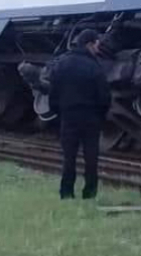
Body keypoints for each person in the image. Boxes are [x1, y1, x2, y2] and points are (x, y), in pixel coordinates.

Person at [49, 29, 112, 199]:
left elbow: (53, 91)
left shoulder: (61, 63)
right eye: (97, 45)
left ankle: (66, 193)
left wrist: (58, 112)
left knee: (69, 157)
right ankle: (89, 193)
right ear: (89, 44)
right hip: (91, 117)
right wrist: (101, 116)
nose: (98, 49)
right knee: (91, 158)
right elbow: (104, 96)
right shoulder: (95, 67)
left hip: (68, 116)